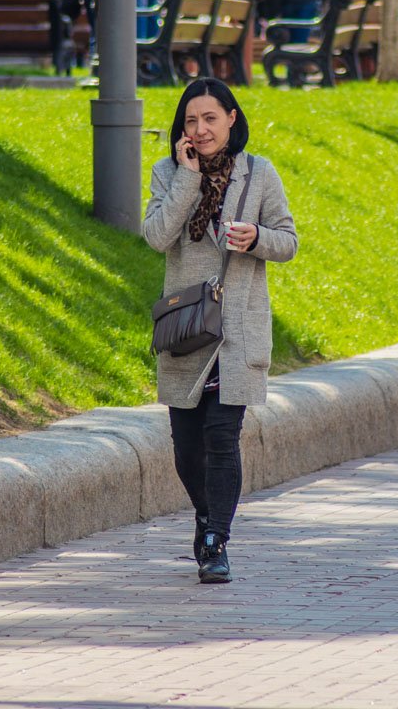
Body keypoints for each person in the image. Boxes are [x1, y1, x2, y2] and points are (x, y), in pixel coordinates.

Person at [142, 78, 297, 585]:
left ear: (232, 118)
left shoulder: (260, 174)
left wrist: (257, 238)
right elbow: (157, 236)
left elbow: (288, 241)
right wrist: (187, 180)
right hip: (188, 330)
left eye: (210, 118)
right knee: (186, 446)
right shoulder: (167, 173)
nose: (201, 129)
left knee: (221, 435)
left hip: (238, 330)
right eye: (191, 120)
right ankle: (204, 516)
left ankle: (215, 539)